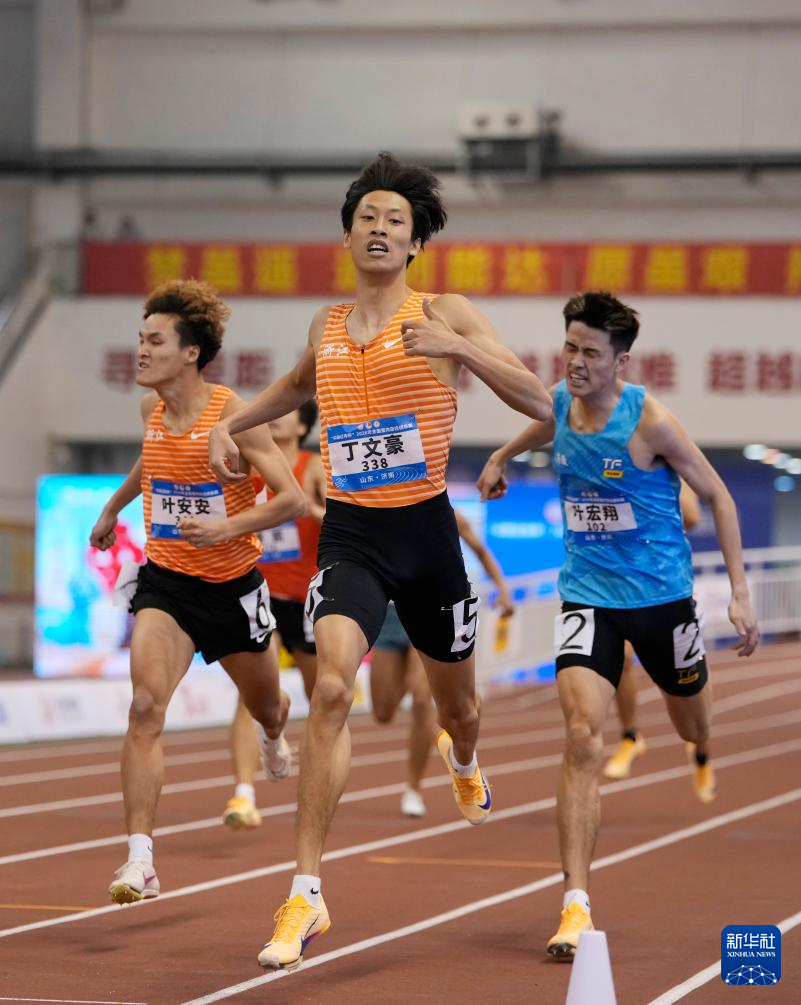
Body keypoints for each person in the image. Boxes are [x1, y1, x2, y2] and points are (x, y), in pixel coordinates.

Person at [208, 152, 553, 970]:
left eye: (395, 220)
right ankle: (306, 891)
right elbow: (295, 386)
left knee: (458, 708)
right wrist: (231, 424)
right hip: (354, 534)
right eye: (366, 217)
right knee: (331, 688)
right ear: (346, 235)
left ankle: (462, 759)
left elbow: (541, 402)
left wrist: (456, 347)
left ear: (415, 243)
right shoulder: (326, 324)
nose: (379, 228)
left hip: (426, 535)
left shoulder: (445, 311)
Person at [477, 290, 758, 961]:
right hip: (587, 598)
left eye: (591, 354)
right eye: (569, 348)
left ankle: (691, 721)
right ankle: (575, 903)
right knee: (581, 735)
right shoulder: (559, 400)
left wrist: (740, 594)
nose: (575, 363)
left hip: (662, 599)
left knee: (694, 726)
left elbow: (717, 497)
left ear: (621, 362)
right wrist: (500, 457)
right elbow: (543, 423)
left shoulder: (651, 422)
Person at [89, 279, 307, 904]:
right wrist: (113, 507)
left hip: (233, 589)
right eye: (140, 339)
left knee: (267, 706)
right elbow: (151, 461)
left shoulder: (235, 417)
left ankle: (272, 735)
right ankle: (141, 860)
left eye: (155, 341)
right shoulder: (150, 411)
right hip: (167, 586)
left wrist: (226, 528)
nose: (141, 350)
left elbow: (292, 499)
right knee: (144, 707)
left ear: (191, 353)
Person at [371, 509, 515, 819]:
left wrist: (503, 591)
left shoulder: (445, 511)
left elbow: (481, 551)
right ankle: (464, 700)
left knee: (422, 699)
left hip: (427, 610)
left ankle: (413, 788)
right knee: (383, 711)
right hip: (389, 615)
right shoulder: (379, 502)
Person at [223, 401, 326, 830]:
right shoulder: (250, 463)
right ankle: (243, 794)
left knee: (323, 697)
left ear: (302, 426)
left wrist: (300, 506)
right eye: (273, 412)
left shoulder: (313, 466)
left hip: (305, 598)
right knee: (249, 694)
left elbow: (339, 516)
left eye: (288, 413)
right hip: (258, 591)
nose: (277, 417)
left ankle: (318, 787)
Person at [603, 481, 704, 792]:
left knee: (674, 671)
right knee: (621, 658)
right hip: (616, 577)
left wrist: (641, 495)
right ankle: (630, 736)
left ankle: (701, 743)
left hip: (663, 582)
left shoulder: (670, 467)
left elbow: (692, 517)